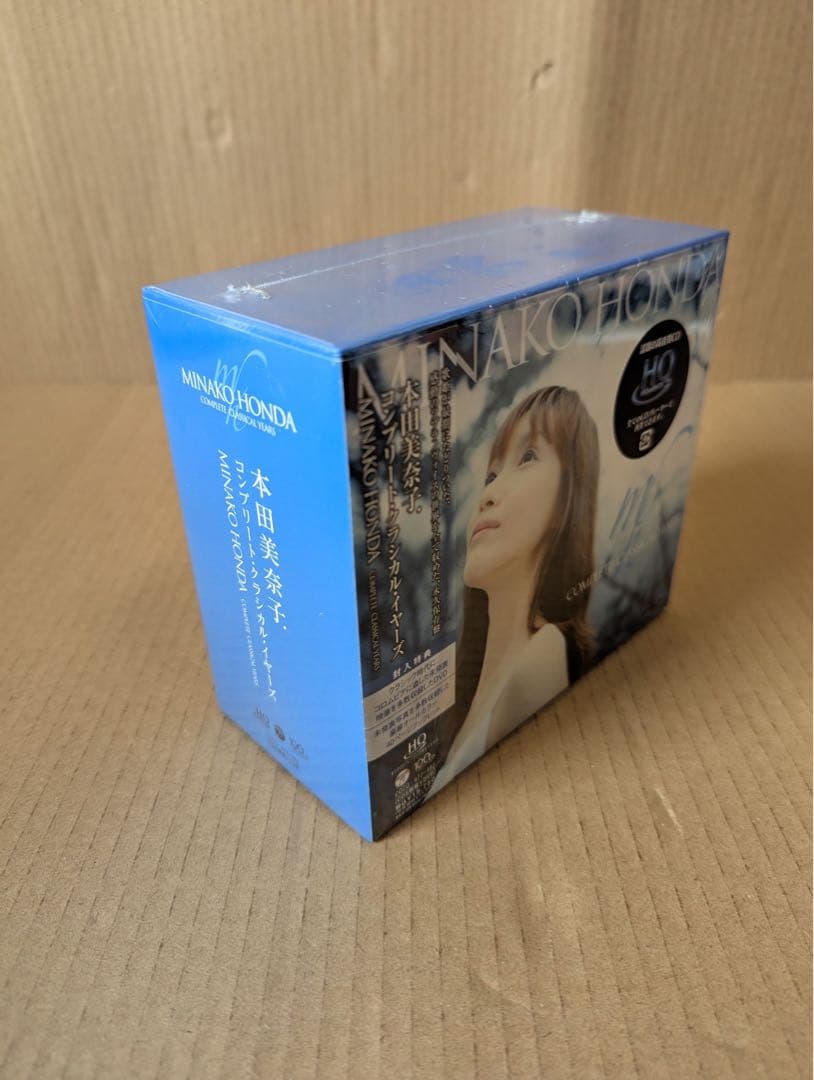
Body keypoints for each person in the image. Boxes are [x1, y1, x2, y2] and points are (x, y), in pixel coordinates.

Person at [428, 384, 599, 795]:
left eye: (528, 457)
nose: (488, 495)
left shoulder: (542, 654)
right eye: (491, 475)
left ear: (568, 496)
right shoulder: (467, 699)